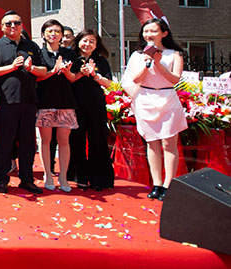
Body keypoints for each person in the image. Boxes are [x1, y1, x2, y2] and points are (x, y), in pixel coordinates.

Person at [121, 18, 187, 201]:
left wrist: (158, 63)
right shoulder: (137, 55)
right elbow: (135, 79)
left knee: (169, 143)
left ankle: (168, 184)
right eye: (146, 31)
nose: (149, 34)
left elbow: (174, 79)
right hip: (145, 99)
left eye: (153, 31)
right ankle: (157, 183)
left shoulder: (175, 54)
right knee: (152, 142)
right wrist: (147, 62)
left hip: (167, 98)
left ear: (164, 33)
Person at [0, 10, 47, 194]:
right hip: (6, 101)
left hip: (29, 100)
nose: (13, 26)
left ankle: (27, 179)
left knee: (28, 142)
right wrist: (12, 67)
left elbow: (43, 70)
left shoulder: (31, 46)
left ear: (21, 26)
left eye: (17, 23)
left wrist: (31, 68)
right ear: (2, 27)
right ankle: (2, 179)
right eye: (9, 23)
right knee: (5, 141)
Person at [35, 19, 78, 192]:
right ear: (44, 34)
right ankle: (47, 174)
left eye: (57, 31)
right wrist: (53, 71)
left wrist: (66, 72)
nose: (54, 34)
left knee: (64, 141)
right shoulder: (39, 53)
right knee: (46, 141)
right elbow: (37, 77)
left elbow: (73, 78)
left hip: (65, 101)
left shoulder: (69, 53)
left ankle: (63, 177)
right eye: (50, 31)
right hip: (45, 101)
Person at [68, 29, 114, 191]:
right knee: (76, 140)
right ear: (78, 41)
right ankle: (79, 176)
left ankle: (99, 178)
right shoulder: (71, 58)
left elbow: (109, 83)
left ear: (96, 44)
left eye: (92, 42)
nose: (87, 44)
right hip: (75, 104)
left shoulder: (101, 60)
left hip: (96, 105)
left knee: (98, 140)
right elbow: (67, 80)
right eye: (85, 41)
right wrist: (80, 73)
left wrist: (94, 74)